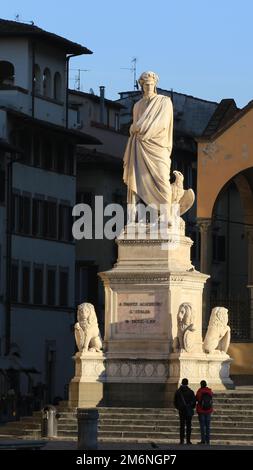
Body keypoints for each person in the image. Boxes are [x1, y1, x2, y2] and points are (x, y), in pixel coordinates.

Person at [123, 71, 173, 223]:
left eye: (151, 84)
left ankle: (167, 215)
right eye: (145, 85)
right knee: (135, 179)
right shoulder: (137, 106)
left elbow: (162, 124)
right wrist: (134, 128)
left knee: (163, 178)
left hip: (158, 147)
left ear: (155, 84)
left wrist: (138, 127)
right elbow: (134, 126)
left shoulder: (164, 102)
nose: (148, 87)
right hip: (139, 147)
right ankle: (132, 219)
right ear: (141, 86)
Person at [174, 378, 196, 445]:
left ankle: (181, 440)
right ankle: (188, 440)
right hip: (188, 410)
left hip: (181, 410)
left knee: (182, 425)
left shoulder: (178, 391)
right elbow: (194, 402)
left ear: (182, 383)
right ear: (187, 383)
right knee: (188, 426)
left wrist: (179, 408)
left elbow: (175, 402)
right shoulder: (191, 392)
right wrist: (190, 407)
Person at [195, 380, 213, 445]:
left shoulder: (199, 391)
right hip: (208, 410)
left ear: (201, 385)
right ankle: (208, 440)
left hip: (201, 411)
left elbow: (196, 399)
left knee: (202, 426)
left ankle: (203, 440)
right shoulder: (210, 391)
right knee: (208, 426)